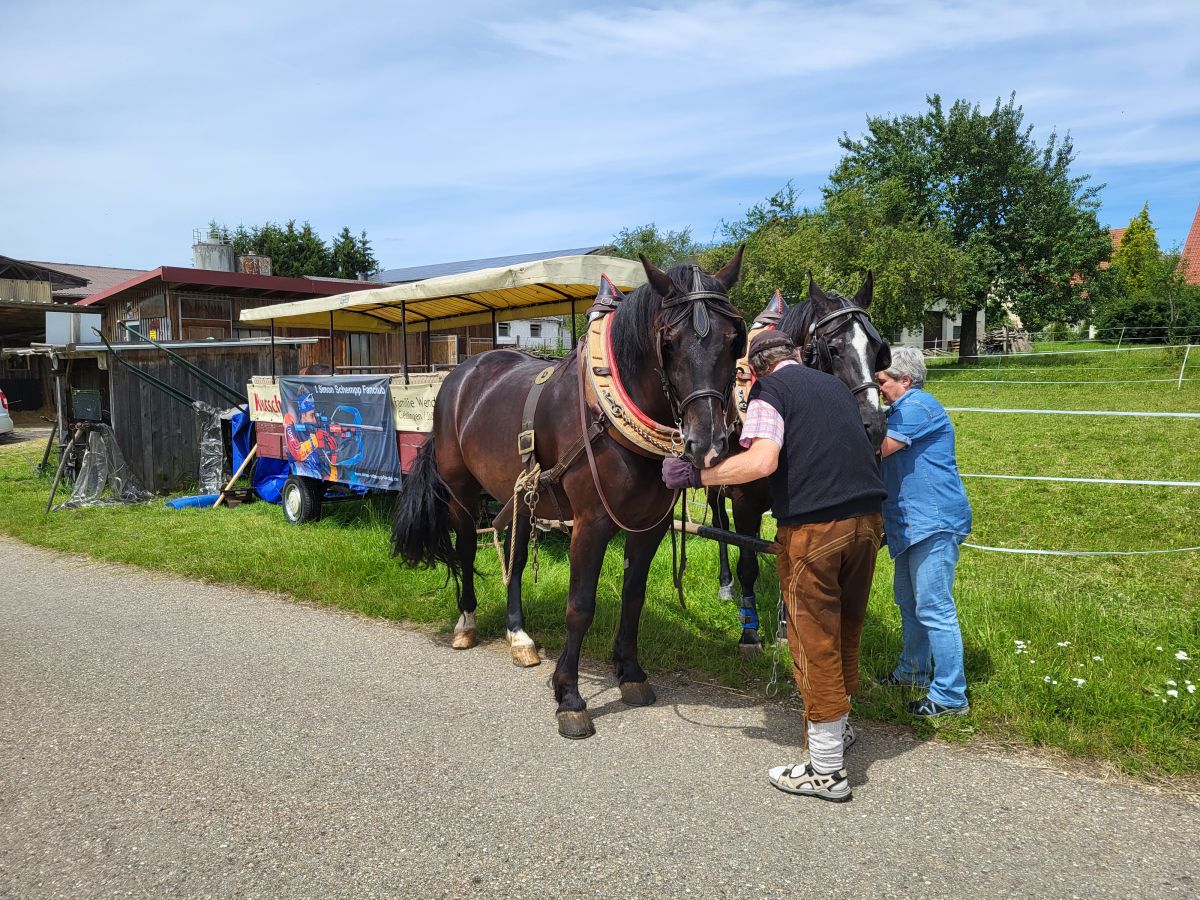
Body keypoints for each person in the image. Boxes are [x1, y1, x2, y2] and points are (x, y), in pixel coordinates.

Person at [662, 330, 885, 803]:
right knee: (846, 630)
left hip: (815, 528)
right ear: (798, 355)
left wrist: (696, 475)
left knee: (813, 640)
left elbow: (762, 462)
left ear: (756, 368)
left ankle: (825, 770)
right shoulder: (834, 387)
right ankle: (838, 730)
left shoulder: (770, 392)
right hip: (867, 522)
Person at [874, 346, 972, 717]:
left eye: (883, 381)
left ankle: (950, 696)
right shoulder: (899, 409)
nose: (879, 388)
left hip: (932, 520)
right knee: (909, 603)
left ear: (905, 380)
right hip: (910, 524)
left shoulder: (917, 406)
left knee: (934, 607)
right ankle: (913, 672)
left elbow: (880, 448)